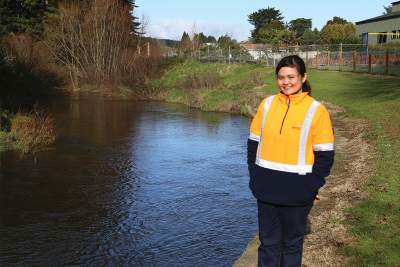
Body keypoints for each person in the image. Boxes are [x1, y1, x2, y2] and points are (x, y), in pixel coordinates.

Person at [247, 55, 334, 267]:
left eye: (291, 77)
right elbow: (252, 145)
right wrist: (255, 178)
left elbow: (326, 156)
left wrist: (311, 186)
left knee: (291, 246)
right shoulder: (266, 105)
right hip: (266, 191)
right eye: (281, 77)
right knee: (268, 245)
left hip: (298, 193)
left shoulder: (316, 110)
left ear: (303, 77)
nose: (286, 82)